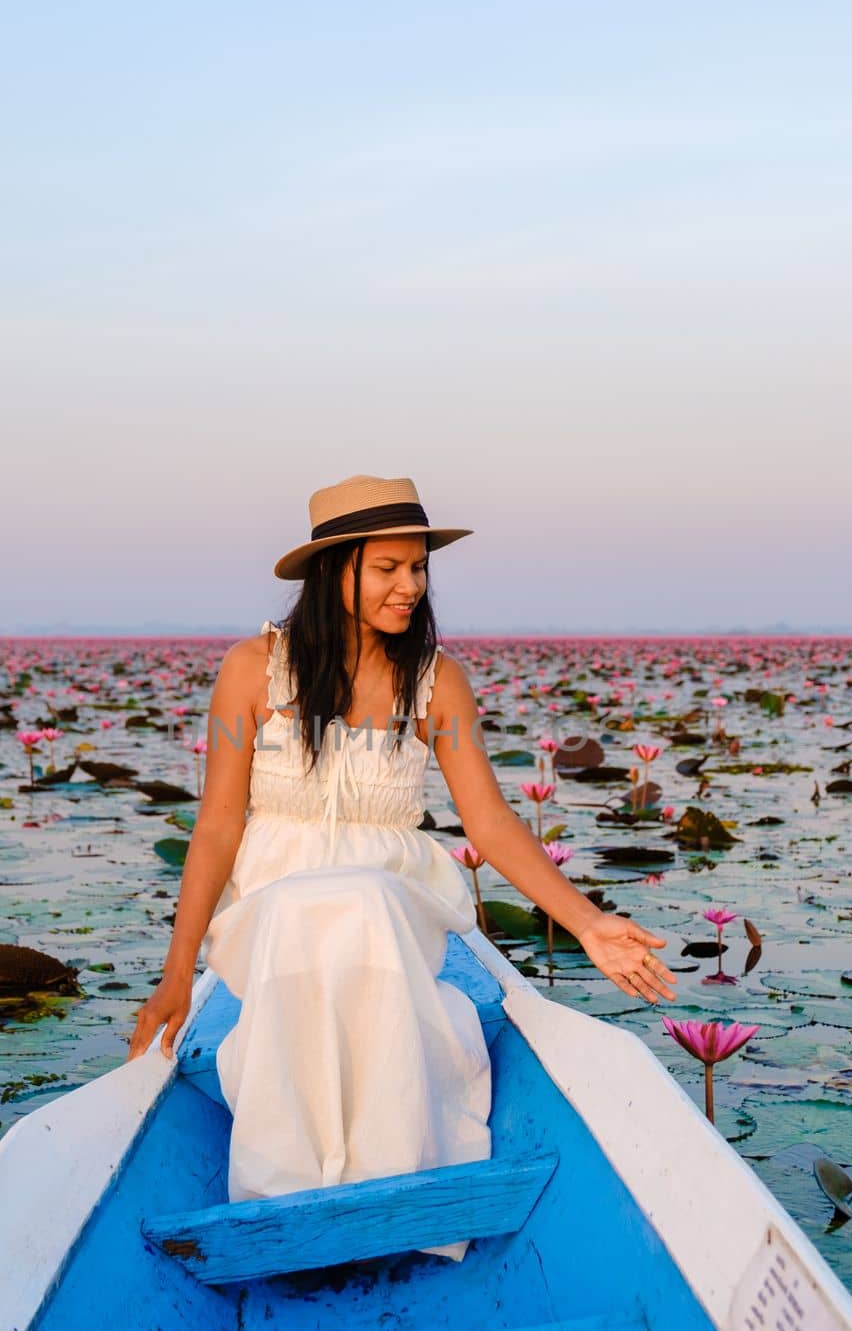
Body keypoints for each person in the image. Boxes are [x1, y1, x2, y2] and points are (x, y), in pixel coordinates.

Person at [126, 474, 676, 1258]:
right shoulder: (252, 669)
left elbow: (487, 818)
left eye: (418, 568)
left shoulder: (436, 682)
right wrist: (178, 971)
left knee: (361, 902)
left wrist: (586, 923)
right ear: (336, 569)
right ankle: (293, 1202)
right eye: (389, 568)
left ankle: (388, 1198)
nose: (410, 586)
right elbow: (217, 825)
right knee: (306, 912)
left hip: (392, 912)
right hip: (272, 917)